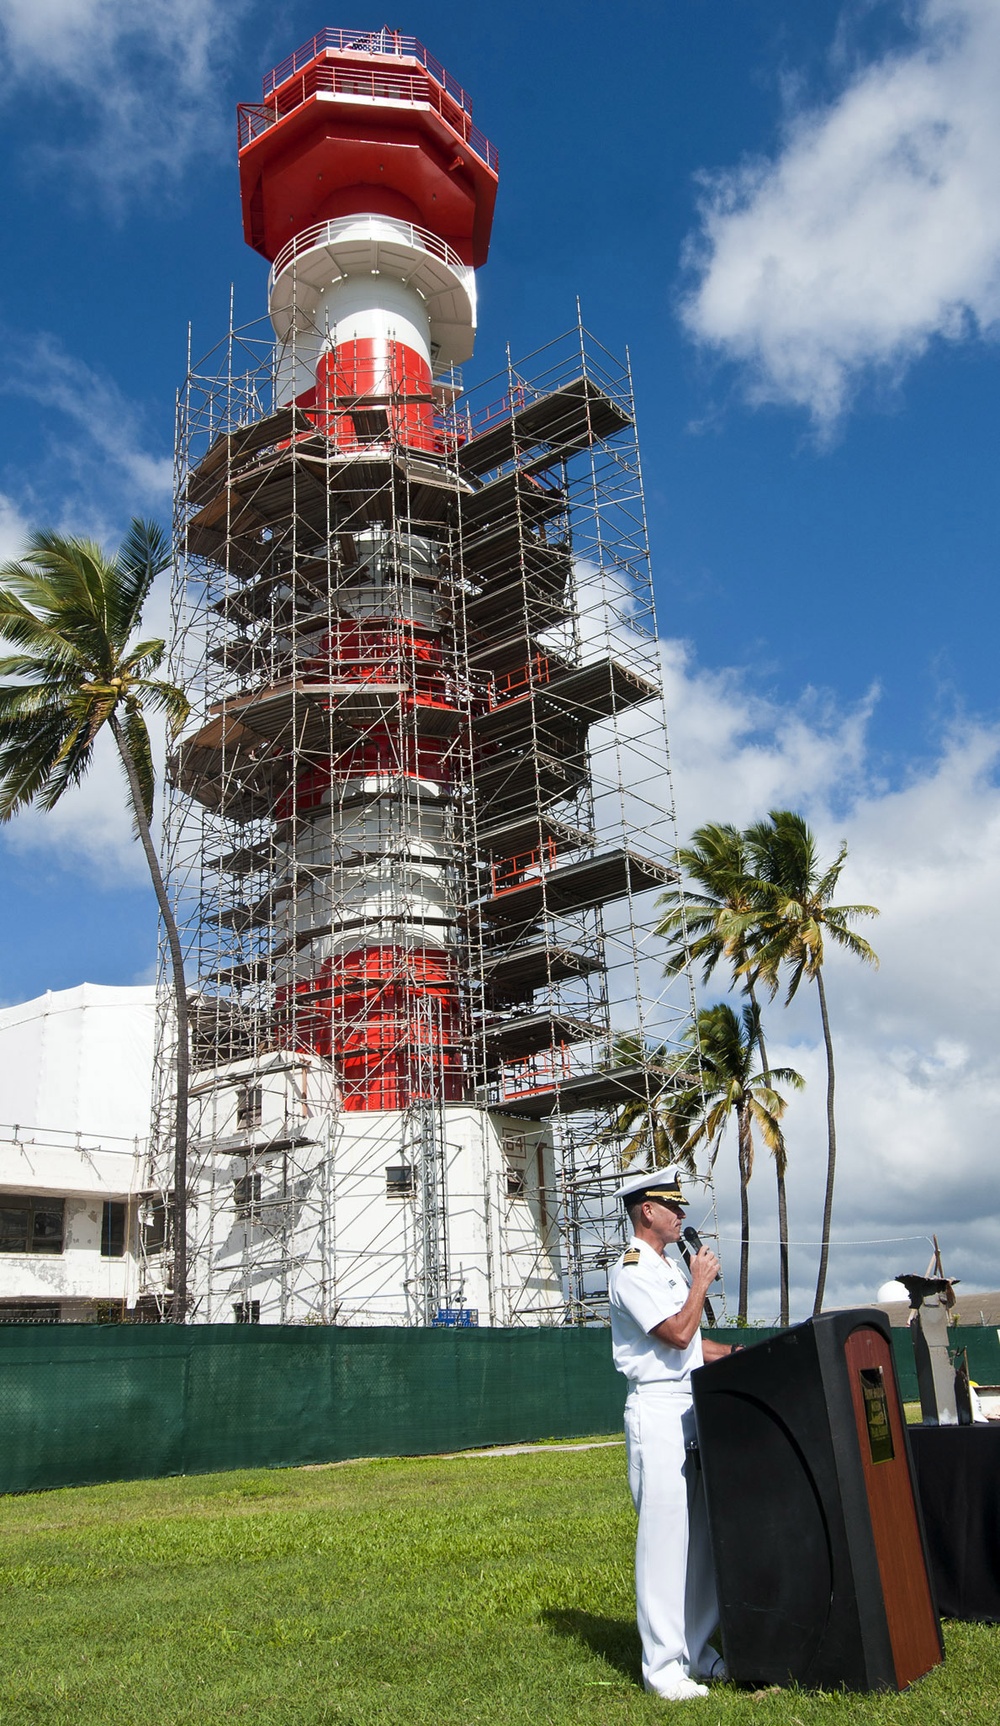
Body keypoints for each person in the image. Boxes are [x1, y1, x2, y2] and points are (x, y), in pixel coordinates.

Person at [608, 1165, 736, 1702]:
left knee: (700, 1539)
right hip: (657, 1411)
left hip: (690, 1404)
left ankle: (699, 1652)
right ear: (647, 1211)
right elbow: (677, 1332)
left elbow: (693, 1345)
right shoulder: (633, 1270)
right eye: (672, 1205)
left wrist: (740, 1356)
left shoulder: (666, 1268)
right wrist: (702, 1282)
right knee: (664, 1544)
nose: (682, 1214)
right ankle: (662, 1670)